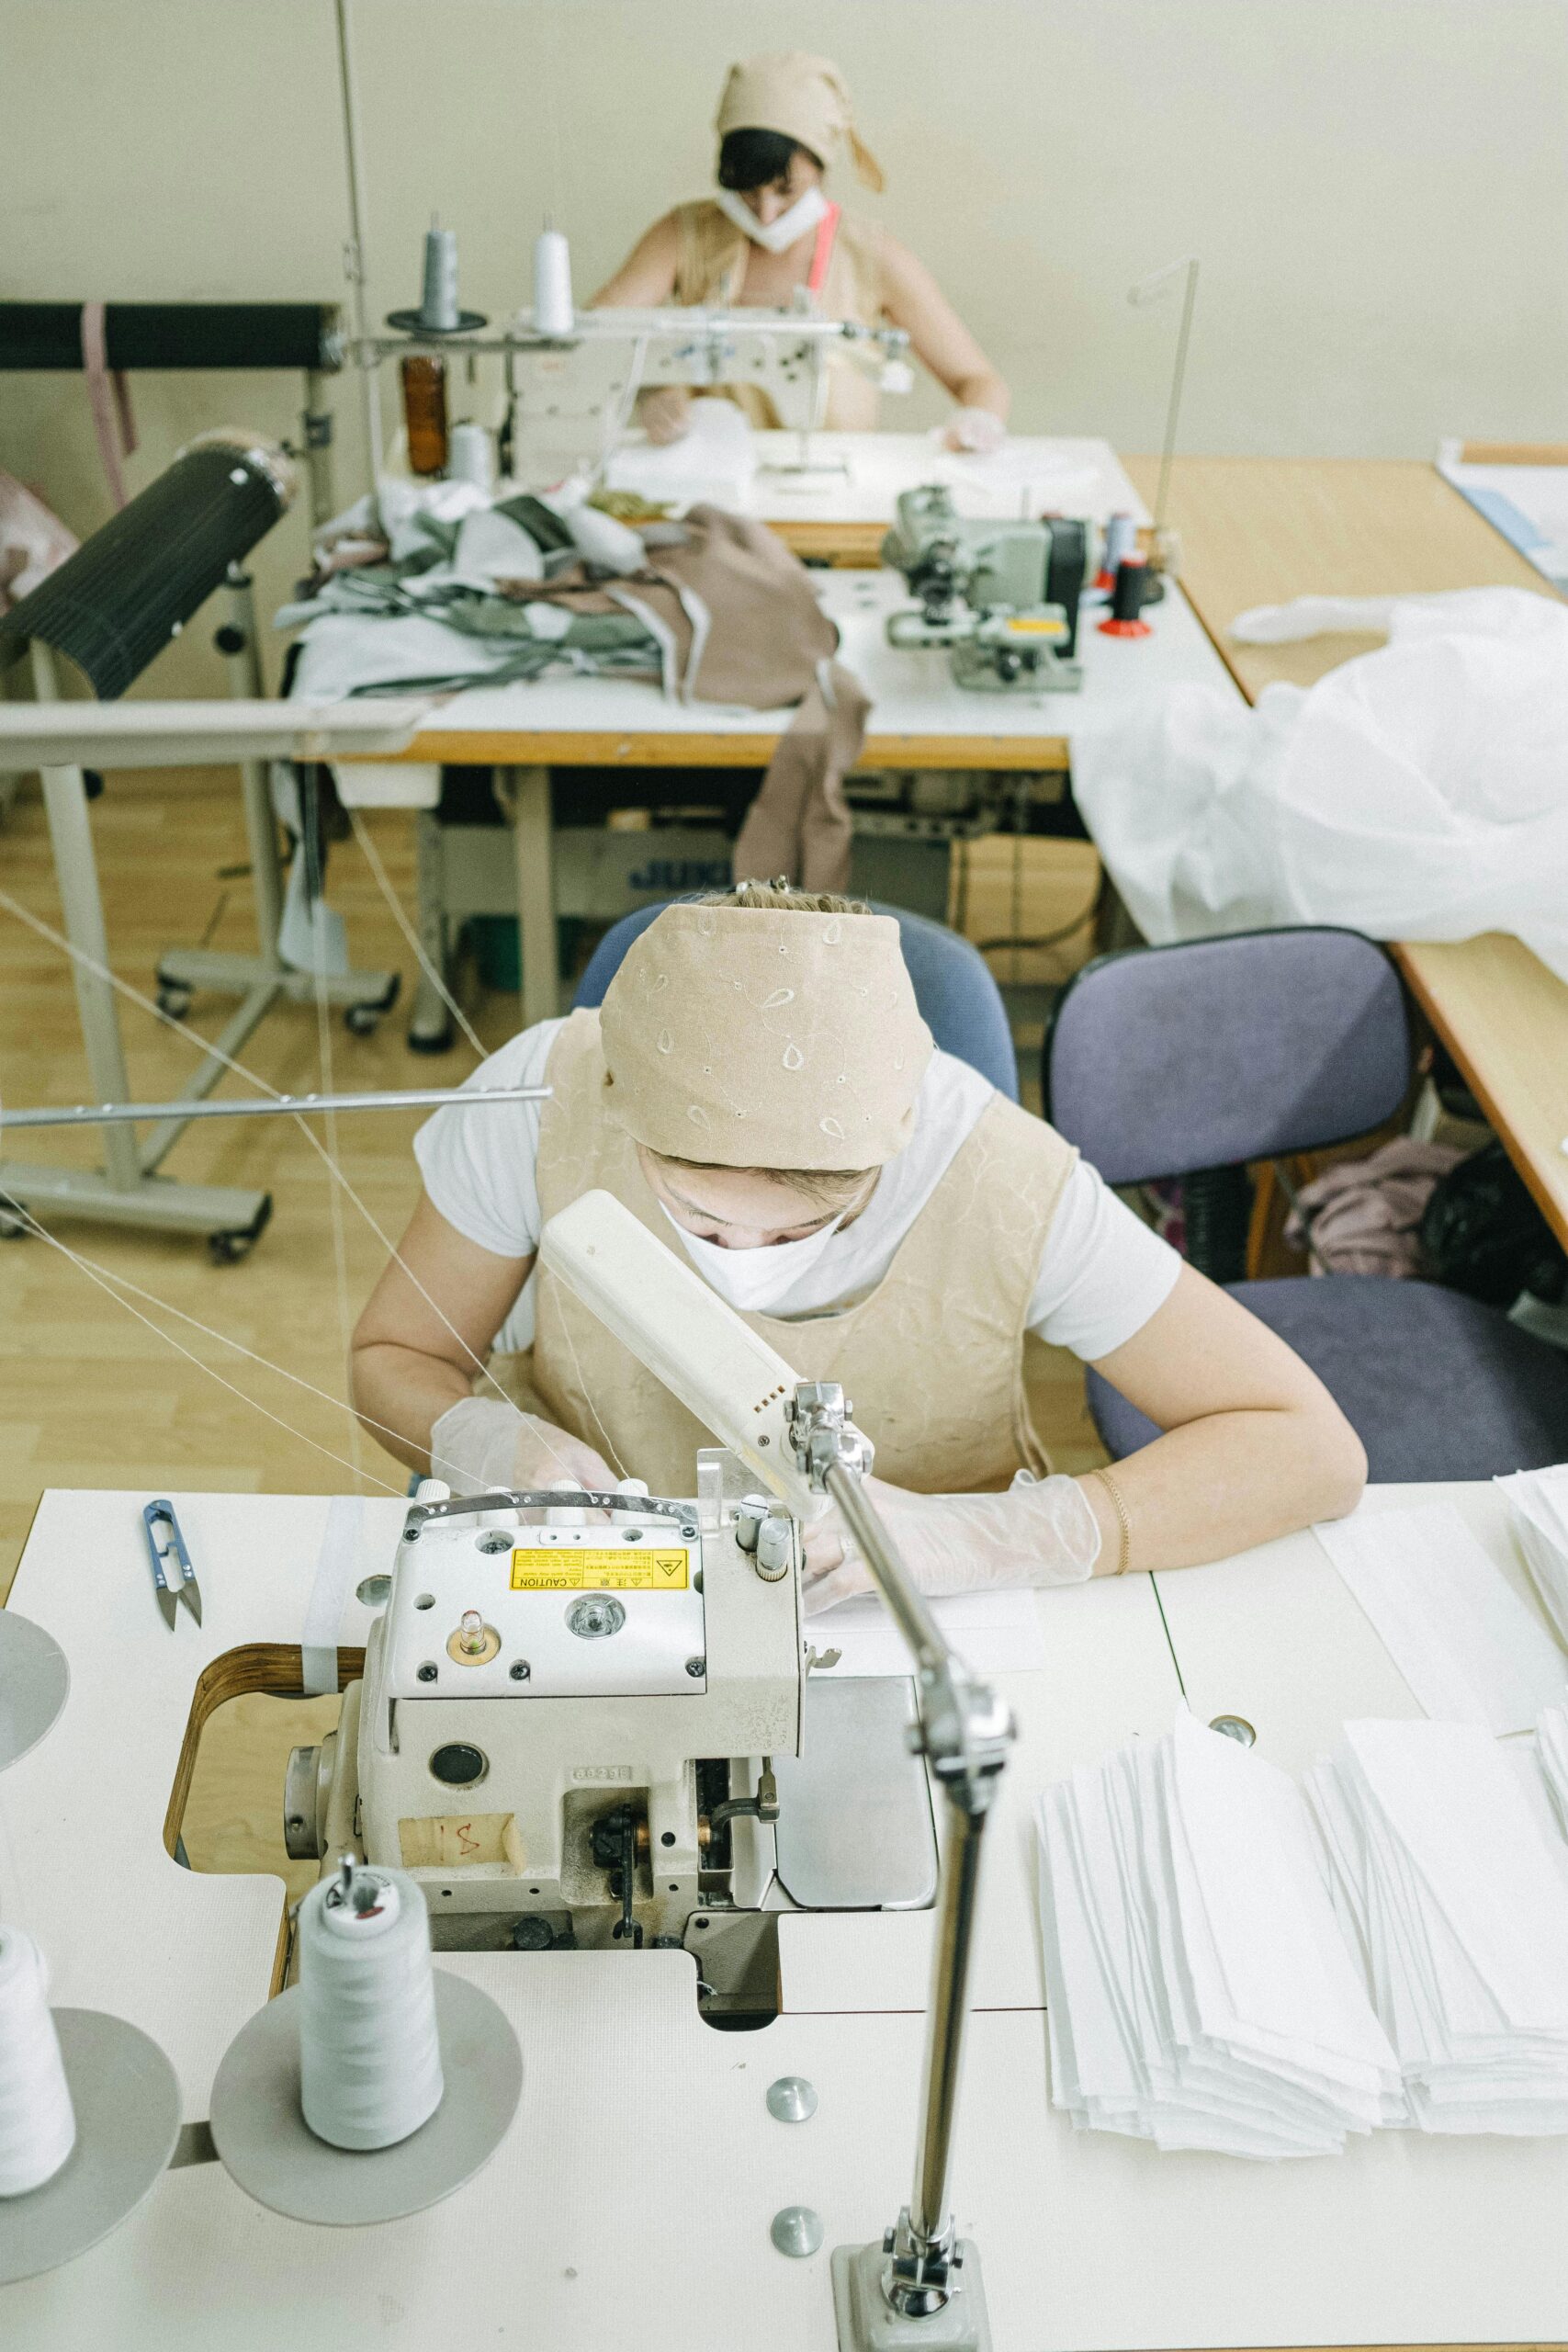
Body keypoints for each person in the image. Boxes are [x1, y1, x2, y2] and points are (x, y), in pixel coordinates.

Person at [352, 886, 1366, 1613]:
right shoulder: (545, 1096)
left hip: (919, 1614)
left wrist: (997, 1538)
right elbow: (393, 1359)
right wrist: (481, 1441)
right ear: (628, 1121)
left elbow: (1308, 1448)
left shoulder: (1003, 1175)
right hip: (618, 1599)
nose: (745, 1256)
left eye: (799, 1231)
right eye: (700, 1223)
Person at [592, 51, 1010, 452]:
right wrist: (652, 387)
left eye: (785, 191)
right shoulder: (684, 235)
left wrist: (979, 421)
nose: (767, 214)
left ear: (822, 168)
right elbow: (592, 334)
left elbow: (979, 381)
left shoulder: (870, 254)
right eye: (747, 190)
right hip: (710, 488)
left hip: (836, 497)